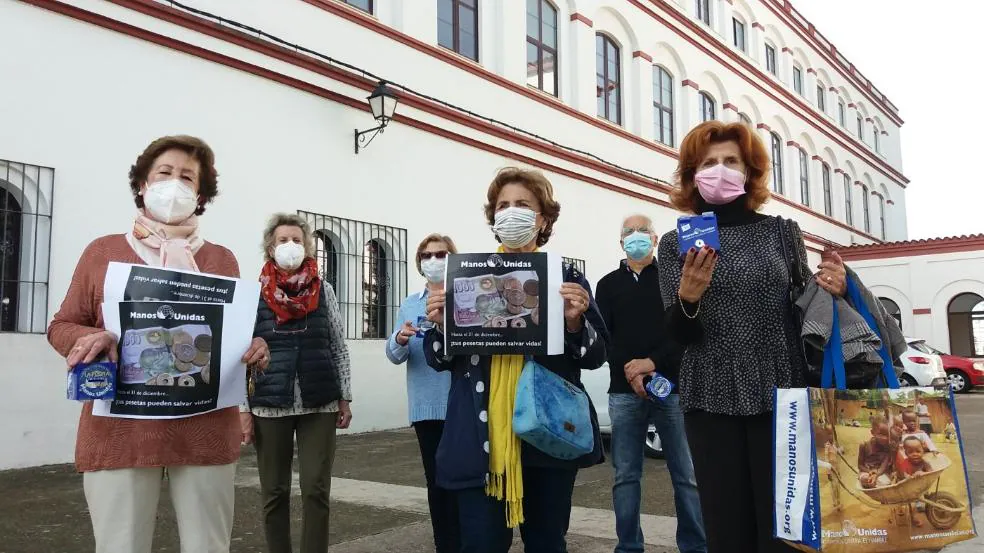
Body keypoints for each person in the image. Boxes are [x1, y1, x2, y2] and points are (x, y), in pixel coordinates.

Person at [47, 135, 270, 553]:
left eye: (187, 176)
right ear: (143, 185)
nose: (175, 183)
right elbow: (62, 325)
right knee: (120, 546)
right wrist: (89, 337)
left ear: (200, 194)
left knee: (208, 546)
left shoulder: (221, 260)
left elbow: (233, 336)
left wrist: (254, 346)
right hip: (120, 430)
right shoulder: (102, 252)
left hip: (204, 426)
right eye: (164, 173)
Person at [656, 121, 854, 553]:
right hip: (709, 390)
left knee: (784, 528)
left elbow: (808, 306)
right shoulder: (674, 243)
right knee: (726, 527)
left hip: (780, 388)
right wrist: (688, 298)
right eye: (708, 163)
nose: (720, 170)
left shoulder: (781, 232)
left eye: (731, 161)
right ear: (692, 175)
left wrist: (835, 286)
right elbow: (678, 334)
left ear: (750, 171)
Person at [422, 167, 607, 553]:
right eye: (503, 205)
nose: (511, 212)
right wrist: (439, 326)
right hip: (481, 437)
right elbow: (440, 360)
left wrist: (574, 322)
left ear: (543, 218)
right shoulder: (468, 277)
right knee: (482, 544)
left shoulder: (564, 276)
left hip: (547, 435)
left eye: (523, 204)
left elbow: (596, 355)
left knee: (546, 542)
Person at [242, 213, 352, 553]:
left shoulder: (326, 290)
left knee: (315, 489)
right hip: (269, 403)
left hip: (319, 401)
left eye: (296, 240)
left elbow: (337, 344)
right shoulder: (253, 294)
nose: (290, 246)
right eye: (282, 240)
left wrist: (345, 397)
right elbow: (238, 354)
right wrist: (243, 409)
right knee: (274, 491)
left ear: (307, 247)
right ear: (270, 247)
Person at [595, 214, 706, 553]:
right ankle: (629, 545)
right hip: (623, 393)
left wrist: (652, 364)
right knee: (626, 476)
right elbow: (604, 337)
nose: (636, 236)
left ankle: (695, 545)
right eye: (628, 231)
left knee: (685, 476)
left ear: (656, 240)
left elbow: (683, 332)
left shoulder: (672, 279)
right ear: (621, 242)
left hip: (671, 388)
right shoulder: (607, 284)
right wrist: (632, 371)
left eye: (643, 230)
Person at [386, 233, 461, 553]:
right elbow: (394, 354)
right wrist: (401, 338)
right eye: (427, 255)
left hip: (460, 404)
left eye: (441, 254)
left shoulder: (463, 297)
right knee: (437, 482)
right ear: (420, 263)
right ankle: (445, 544)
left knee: (464, 479)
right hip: (426, 407)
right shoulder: (411, 303)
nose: (434, 261)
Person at [858, 417, 895, 489]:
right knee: (865, 479)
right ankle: (870, 482)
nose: (885, 438)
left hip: (881, 473)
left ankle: (874, 484)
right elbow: (860, 465)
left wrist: (876, 474)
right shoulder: (864, 445)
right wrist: (870, 472)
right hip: (867, 472)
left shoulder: (887, 448)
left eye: (887, 435)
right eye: (881, 434)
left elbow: (883, 466)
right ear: (872, 432)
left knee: (886, 482)